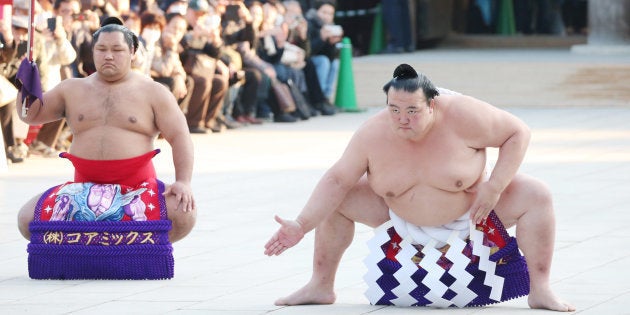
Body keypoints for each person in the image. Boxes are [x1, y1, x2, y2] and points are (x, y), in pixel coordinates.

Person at [264, 64, 575, 311]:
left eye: (412, 110)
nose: (402, 119)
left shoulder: (464, 114)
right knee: (337, 197)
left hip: (472, 214)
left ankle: (540, 288)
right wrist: (301, 225)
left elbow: (518, 133)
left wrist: (494, 187)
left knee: (537, 195)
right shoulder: (372, 133)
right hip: (398, 219)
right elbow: (336, 180)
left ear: (432, 104)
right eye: (394, 110)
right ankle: (321, 284)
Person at [16, 18, 196, 243]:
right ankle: (91, 249)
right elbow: (30, 115)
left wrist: (183, 182)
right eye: (101, 49)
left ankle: (128, 247)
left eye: (117, 49)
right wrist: (26, 80)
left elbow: (180, 137)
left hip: (136, 189)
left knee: (183, 213)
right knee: (26, 219)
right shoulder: (71, 89)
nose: (108, 55)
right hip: (82, 190)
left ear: (132, 51)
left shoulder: (154, 92)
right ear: (93, 51)